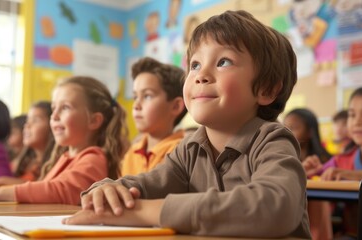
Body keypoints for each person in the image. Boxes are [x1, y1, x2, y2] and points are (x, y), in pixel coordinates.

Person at [61, 10, 310, 238]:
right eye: (195, 65)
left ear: (266, 89)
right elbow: (147, 184)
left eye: (223, 62)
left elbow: (275, 207)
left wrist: (144, 212)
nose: (201, 75)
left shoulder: (272, 140)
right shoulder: (190, 148)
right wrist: (109, 189)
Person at [0, 76, 129, 205]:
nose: (54, 116)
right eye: (53, 109)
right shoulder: (64, 158)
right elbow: (43, 191)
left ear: (94, 121)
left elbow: (62, 191)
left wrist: (0, 194)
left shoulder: (94, 158)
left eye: (65, 108)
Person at [303, 87, 362, 238]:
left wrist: (355, 176)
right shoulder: (342, 160)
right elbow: (321, 172)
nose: (357, 122)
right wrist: (306, 170)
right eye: (352, 115)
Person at [121, 57, 186, 176]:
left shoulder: (183, 153)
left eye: (147, 96)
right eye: (135, 97)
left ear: (176, 106)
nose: (136, 105)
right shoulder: (131, 153)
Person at [283, 108, 333, 240]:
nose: (287, 132)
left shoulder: (324, 161)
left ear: (310, 132)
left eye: (293, 127)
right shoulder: (283, 159)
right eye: (284, 127)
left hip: (322, 216)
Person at [0, 101, 55, 187]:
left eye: (35, 120)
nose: (27, 125)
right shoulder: (23, 162)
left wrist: (2, 181)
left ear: (53, 125)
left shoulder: (54, 163)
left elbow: (40, 187)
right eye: (28, 120)